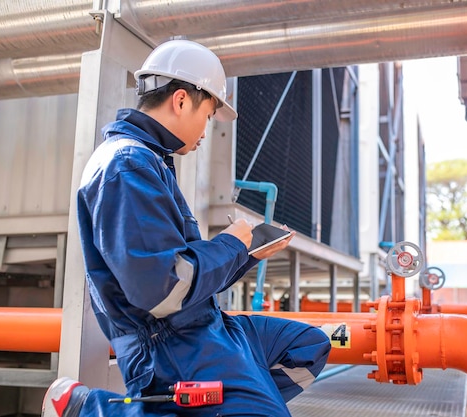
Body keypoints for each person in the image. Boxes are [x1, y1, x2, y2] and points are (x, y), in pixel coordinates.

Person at [42, 39, 331, 417]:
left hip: (205, 327)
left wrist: (245, 253)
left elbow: (182, 273)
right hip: (172, 344)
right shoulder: (127, 166)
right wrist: (232, 246)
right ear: (181, 101)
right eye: (208, 116)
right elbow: (161, 291)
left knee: (310, 346)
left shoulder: (150, 161)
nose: (206, 130)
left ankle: (223, 399)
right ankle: (95, 410)